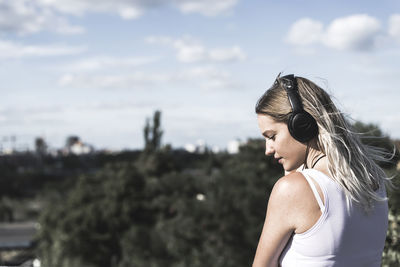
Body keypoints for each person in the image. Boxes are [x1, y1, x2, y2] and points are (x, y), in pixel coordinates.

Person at [252, 74, 392, 267]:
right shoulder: (375, 180)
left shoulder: (293, 189)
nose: (268, 149)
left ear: (301, 126)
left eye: (272, 136)